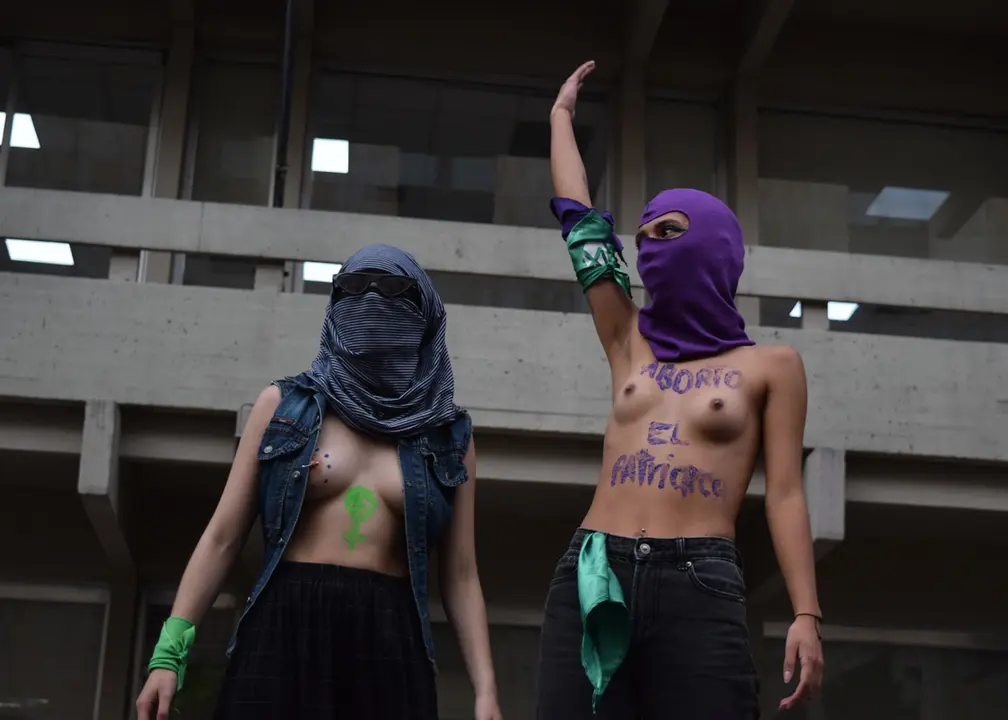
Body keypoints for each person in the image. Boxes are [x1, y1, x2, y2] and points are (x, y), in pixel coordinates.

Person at [536, 61, 825, 719]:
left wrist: (807, 611)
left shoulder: (772, 367)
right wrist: (559, 118)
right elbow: (580, 225)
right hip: (593, 569)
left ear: (716, 245)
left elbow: (783, 492)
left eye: (669, 230)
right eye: (643, 237)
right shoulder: (628, 338)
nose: (649, 245)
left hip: (700, 579)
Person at [136, 244, 502, 720]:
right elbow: (223, 536)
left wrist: (486, 690)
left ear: (425, 312)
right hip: (284, 624)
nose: (369, 300)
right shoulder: (282, 405)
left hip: (391, 637)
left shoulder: (450, 436)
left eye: (392, 289)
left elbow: (461, 573)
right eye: (351, 287)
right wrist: (169, 655)